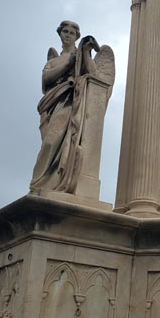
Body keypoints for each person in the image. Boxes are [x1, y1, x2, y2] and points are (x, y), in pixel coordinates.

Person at [30, 20, 100, 194]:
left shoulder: (80, 54)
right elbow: (46, 79)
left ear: (77, 37)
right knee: (48, 143)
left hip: (71, 102)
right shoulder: (55, 59)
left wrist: (84, 53)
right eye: (65, 32)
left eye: (71, 33)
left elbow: (93, 75)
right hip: (54, 103)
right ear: (60, 34)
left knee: (58, 141)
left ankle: (55, 182)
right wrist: (69, 63)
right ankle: (39, 184)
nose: (68, 35)